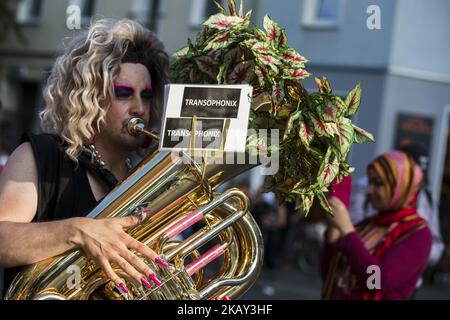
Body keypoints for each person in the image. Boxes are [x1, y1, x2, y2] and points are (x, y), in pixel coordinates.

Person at [0, 18, 170, 298]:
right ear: (91, 97)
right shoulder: (42, 155)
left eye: (147, 96)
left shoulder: (149, 178)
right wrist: (78, 231)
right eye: (124, 93)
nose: (139, 108)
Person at [321, 150, 432, 299]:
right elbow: (329, 275)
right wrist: (333, 235)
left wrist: (347, 231)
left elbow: (376, 281)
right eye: (370, 182)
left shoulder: (418, 234)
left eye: (378, 184)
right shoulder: (368, 225)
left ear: (400, 187)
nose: (369, 190)